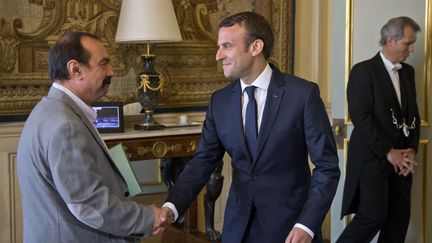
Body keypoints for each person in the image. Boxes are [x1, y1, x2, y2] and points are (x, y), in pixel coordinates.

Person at [159, 11, 340, 243]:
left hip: (291, 229)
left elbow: (327, 167)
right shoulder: (219, 102)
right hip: (238, 229)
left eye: (227, 46)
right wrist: (171, 206)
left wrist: (307, 224)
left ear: (255, 47)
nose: (218, 55)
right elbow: (202, 162)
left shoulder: (302, 95)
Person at [17, 32, 165, 242]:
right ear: (75, 69)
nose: (111, 71)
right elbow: (90, 205)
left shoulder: (50, 110)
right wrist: (147, 218)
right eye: (103, 64)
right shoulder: (65, 126)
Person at [337, 16, 421, 243]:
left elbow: (413, 114)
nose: (411, 49)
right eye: (407, 43)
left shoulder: (408, 72)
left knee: (399, 220)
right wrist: (388, 151)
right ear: (390, 41)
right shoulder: (363, 71)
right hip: (372, 159)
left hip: (402, 161)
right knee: (372, 217)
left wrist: (411, 150)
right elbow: (361, 118)